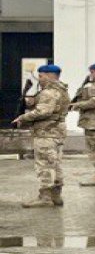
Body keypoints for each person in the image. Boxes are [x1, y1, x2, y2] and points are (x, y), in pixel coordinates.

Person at [14, 64, 71, 208]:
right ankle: (56, 196)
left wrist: (23, 117)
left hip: (46, 133)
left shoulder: (48, 92)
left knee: (44, 164)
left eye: (40, 76)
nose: (39, 79)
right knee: (55, 163)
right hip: (56, 131)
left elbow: (43, 112)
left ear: (49, 75)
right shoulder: (62, 90)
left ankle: (45, 197)